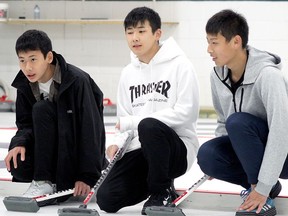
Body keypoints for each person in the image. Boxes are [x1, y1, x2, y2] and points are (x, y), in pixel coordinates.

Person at [96, 6, 200, 215]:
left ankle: (161, 192)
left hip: (177, 149)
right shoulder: (128, 73)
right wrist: (116, 143)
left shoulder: (181, 66)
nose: (135, 37)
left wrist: (135, 123)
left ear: (157, 34)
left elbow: (186, 113)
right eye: (130, 32)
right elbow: (124, 119)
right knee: (106, 198)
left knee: (148, 126)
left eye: (141, 31)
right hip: (141, 149)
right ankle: (158, 185)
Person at [197, 9, 288, 216]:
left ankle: (261, 193)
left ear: (236, 41)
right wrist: (219, 160)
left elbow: (281, 133)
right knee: (208, 156)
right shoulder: (217, 75)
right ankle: (267, 186)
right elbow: (222, 120)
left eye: (214, 42)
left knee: (238, 122)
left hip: (284, 154)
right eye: (208, 42)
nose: (209, 49)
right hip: (255, 153)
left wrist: (260, 186)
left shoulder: (268, 76)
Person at [4, 29, 107, 203]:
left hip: (72, 152)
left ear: (49, 57)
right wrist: (19, 143)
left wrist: (87, 176)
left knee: (42, 108)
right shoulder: (25, 84)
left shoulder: (77, 81)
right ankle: (46, 182)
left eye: (33, 60)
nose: (27, 67)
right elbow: (25, 124)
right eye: (22, 61)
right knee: (18, 164)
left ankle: (45, 180)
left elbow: (91, 130)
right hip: (48, 151)